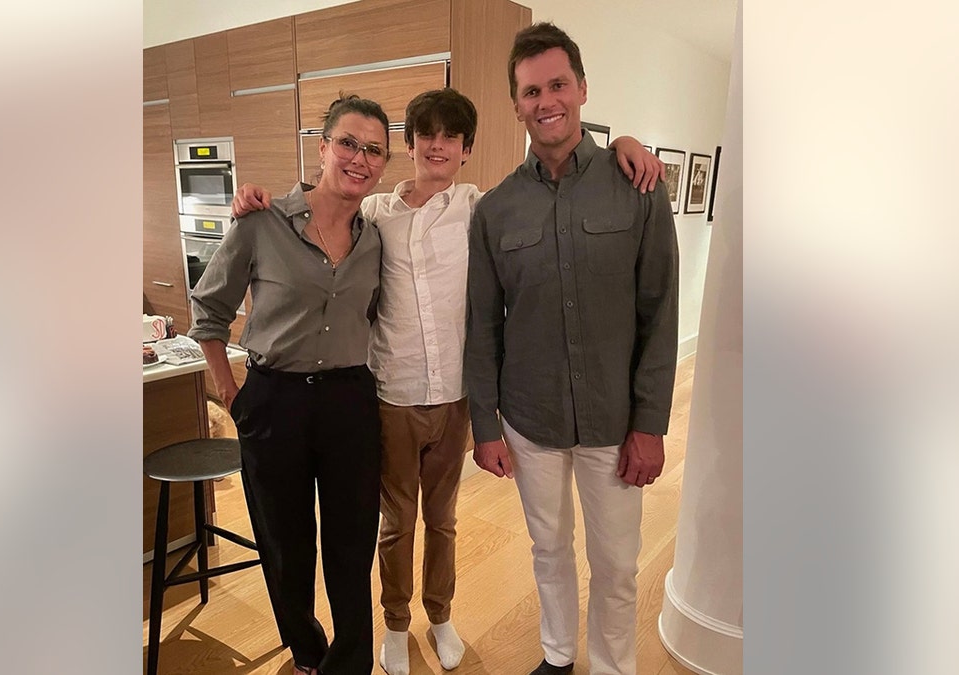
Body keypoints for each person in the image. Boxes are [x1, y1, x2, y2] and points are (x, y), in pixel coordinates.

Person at [234, 87, 662, 675]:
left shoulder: (479, 208)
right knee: (394, 520)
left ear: (466, 150)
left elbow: (544, 188)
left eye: (452, 137)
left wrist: (626, 147)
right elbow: (321, 204)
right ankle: (394, 621)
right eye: (426, 135)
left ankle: (440, 615)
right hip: (389, 393)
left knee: (443, 518)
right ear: (407, 146)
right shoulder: (376, 213)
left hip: (455, 395)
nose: (438, 145)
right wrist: (253, 195)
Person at [464, 22, 679, 675]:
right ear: (517, 104)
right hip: (530, 421)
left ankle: (613, 667)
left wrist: (650, 423)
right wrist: (484, 424)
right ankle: (557, 656)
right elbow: (482, 325)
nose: (545, 99)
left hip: (614, 422)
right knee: (548, 548)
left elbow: (660, 313)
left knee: (616, 563)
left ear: (582, 89)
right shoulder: (495, 211)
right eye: (531, 90)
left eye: (558, 83)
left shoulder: (636, 186)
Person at [187, 95, 392, 675]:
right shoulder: (262, 222)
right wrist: (231, 394)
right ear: (322, 147)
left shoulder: (376, 238)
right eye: (348, 143)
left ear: (382, 164)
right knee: (285, 543)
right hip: (273, 400)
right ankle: (307, 653)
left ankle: (350, 663)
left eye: (373, 150)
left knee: (352, 542)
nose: (359, 157)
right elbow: (209, 310)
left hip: (350, 400)